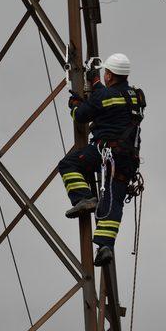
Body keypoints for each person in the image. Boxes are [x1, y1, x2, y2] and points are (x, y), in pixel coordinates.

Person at [58, 53, 146, 266]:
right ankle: (105, 246)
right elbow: (111, 100)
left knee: (68, 165)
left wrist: (74, 103)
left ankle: (83, 198)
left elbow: (81, 116)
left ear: (110, 75)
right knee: (113, 201)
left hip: (106, 152)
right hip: (128, 158)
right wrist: (95, 82)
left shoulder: (103, 98)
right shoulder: (136, 96)